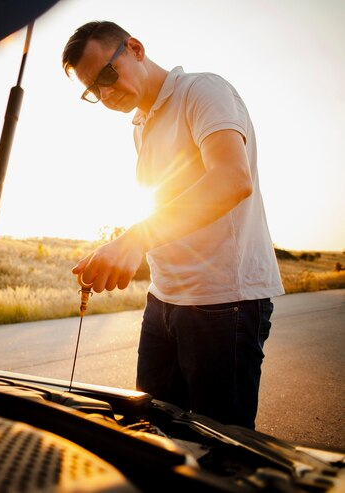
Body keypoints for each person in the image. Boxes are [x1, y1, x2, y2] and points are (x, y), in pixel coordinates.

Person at [62, 20, 284, 429]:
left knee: (218, 452)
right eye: (94, 90)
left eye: (108, 75)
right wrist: (119, 246)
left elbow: (232, 179)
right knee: (154, 435)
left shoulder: (203, 91)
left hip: (223, 301)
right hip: (163, 300)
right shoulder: (141, 126)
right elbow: (165, 203)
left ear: (135, 48)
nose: (106, 93)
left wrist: (136, 239)